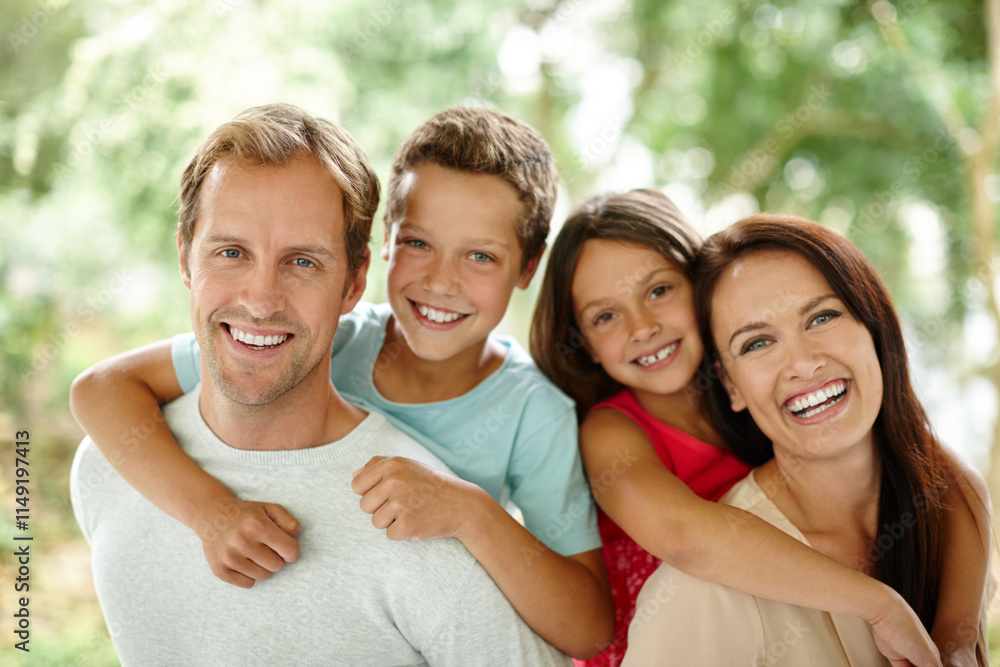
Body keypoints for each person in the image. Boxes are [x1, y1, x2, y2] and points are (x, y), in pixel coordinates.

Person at [69, 106, 613, 658]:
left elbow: (587, 627)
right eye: (418, 244)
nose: (441, 281)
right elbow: (102, 389)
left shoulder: (530, 410)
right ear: (386, 245)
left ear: (527, 268)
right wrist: (209, 511)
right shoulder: (331, 340)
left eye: (479, 255)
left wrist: (471, 512)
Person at [530, 191, 988, 666]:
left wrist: (956, 635)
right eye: (605, 316)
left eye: (659, 291)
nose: (642, 326)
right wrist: (876, 604)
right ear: (583, 344)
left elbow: (942, 471)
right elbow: (682, 537)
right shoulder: (612, 430)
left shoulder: (757, 394)